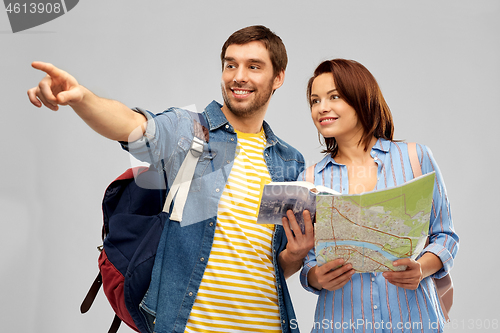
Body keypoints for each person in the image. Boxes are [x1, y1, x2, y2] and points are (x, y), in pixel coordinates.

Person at [27, 25, 314, 333]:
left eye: (253, 66)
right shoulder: (190, 132)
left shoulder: (288, 161)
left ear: (278, 77)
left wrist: (295, 255)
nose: (238, 76)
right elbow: (134, 126)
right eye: (231, 64)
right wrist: (81, 98)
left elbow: (272, 264)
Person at [289, 59, 459, 333]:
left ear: (361, 98)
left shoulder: (416, 158)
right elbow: (309, 261)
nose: (322, 108)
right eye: (315, 100)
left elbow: (445, 236)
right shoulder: (309, 180)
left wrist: (421, 268)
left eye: (334, 97)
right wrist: (317, 277)